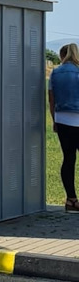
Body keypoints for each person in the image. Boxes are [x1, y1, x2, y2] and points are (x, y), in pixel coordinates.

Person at [48, 43, 79, 213]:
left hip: (63, 120)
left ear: (61, 56)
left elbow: (51, 100)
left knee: (68, 159)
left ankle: (71, 200)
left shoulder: (55, 73)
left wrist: (55, 120)